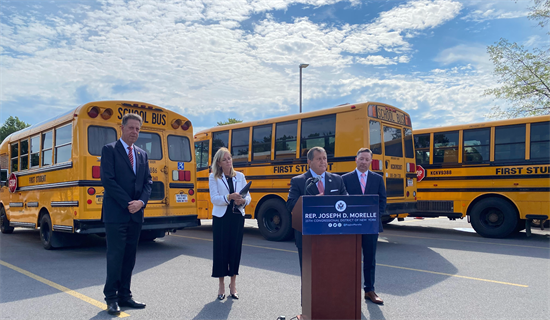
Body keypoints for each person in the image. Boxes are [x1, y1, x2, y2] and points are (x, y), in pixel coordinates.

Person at [286, 146, 347, 319]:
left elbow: (346, 202)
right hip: (308, 238)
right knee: (309, 275)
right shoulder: (299, 181)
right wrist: (312, 201)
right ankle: (307, 311)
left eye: (325, 158)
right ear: (309, 162)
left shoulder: (337, 180)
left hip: (332, 237)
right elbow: (290, 205)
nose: (323, 161)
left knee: (331, 274)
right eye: (319, 158)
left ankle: (329, 308)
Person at [100, 113, 152, 315]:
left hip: (136, 214)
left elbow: (148, 182)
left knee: (130, 257)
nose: (134, 132)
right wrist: (127, 203)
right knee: (115, 256)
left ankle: (125, 295)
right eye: (131, 128)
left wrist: (141, 202)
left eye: (138, 129)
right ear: (121, 128)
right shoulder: (109, 150)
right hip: (116, 214)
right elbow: (108, 180)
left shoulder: (142, 154)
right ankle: (111, 298)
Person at [342, 148, 387, 305]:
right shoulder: (345, 179)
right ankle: (349, 290)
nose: (363, 162)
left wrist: (375, 216)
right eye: (361, 159)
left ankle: (369, 290)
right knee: (350, 259)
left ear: (370, 161)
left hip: (371, 226)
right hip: (351, 226)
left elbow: (382, 200)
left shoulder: (377, 179)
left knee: (370, 259)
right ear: (356, 159)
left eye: (367, 159)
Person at [209, 147, 251, 300]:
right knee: (221, 251)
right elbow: (214, 198)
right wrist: (229, 197)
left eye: (230, 158)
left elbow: (249, 197)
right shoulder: (214, 177)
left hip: (237, 217)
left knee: (235, 250)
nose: (228, 161)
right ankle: (221, 285)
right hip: (221, 218)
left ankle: (233, 285)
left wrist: (243, 200)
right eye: (225, 159)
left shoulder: (240, 176)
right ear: (219, 163)